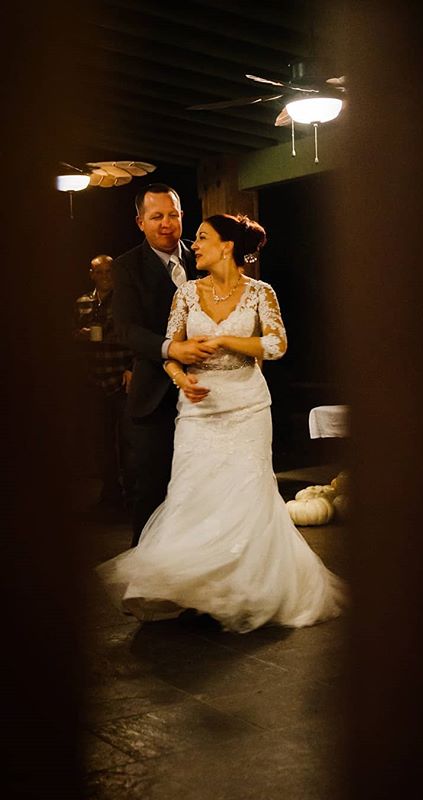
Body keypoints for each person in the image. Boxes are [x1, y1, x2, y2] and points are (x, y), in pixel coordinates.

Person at [98, 214, 346, 632]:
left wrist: (228, 340)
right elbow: (172, 350)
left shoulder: (259, 293)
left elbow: (276, 344)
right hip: (198, 409)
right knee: (195, 494)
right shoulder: (187, 295)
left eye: (204, 238)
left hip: (247, 405)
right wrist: (181, 379)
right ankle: (197, 589)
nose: (195, 244)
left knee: (246, 495)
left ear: (227, 246)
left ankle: (249, 587)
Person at [112, 183, 218, 546]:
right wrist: (172, 349)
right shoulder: (126, 267)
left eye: (173, 214)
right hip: (152, 397)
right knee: (151, 489)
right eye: (157, 216)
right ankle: (145, 581)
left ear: (183, 216)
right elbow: (126, 330)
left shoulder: (204, 259)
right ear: (141, 222)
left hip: (208, 394)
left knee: (202, 490)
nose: (166, 224)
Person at [73, 254, 135, 513]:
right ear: (92, 274)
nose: (106, 277)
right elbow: (70, 334)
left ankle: (132, 494)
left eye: (110, 272)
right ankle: (110, 493)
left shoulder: (126, 301)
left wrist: (132, 368)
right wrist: (80, 335)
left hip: (121, 377)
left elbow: (137, 335)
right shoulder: (83, 303)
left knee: (128, 439)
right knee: (101, 440)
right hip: (94, 377)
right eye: (101, 272)